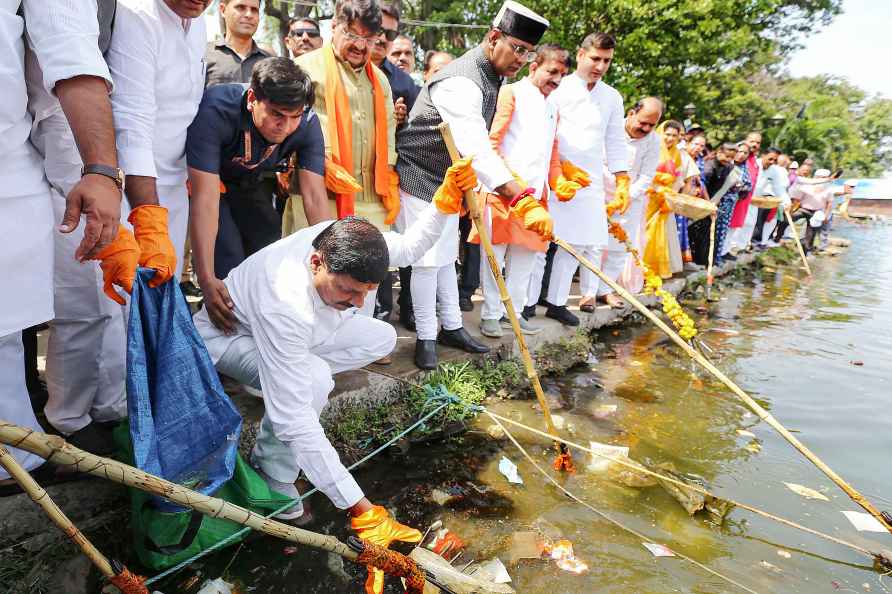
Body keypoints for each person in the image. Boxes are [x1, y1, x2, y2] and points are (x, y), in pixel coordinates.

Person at [193, 159, 476, 594]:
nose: (357, 300)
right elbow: (295, 421)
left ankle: (279, 373)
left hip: (291, 337)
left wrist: (441, 205)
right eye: (347, 290)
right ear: (315, 262)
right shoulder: (285, 301)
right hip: (228, 337)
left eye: (366, 292)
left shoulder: (354, 241)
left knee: (380, 338)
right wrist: (361, 507)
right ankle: (275, 472)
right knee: (310, 383)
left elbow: (411, 247)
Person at [2, 0, 127, 491]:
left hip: (16, 159)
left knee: (8, 328)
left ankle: (19, 458)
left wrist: (99, 170)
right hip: (37, 164)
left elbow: (69, 58)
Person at [395, 0, 555, 368]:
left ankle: (451, 326)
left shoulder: (494, 75)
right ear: (494, 37)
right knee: (425, 262)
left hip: (452, 180)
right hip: (420, 175)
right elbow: (478, 150)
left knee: (446, 257)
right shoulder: (460, 80)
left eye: (528, 54)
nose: (521, 60)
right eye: (517, 49)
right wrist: (523, 200)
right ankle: (425, 337)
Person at [187, 58, 330, 334]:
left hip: (251, 183)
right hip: (210, 182)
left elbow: (314, 196)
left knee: (269, 247)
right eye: (277, 114)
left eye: (294, 116)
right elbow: (204, 199)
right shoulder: (217, 108)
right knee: (226, 261)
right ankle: (218, 343)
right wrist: (205, 278)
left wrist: (330, 262)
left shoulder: (308, 122)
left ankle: (259, 331)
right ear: (253, 98)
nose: (286, 126)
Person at [475, 44, 578, 338]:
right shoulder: (512, 92)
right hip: (502, 190)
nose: (556, 79)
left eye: (562, 74)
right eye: (552, 71)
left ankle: (514, 314)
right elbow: (492, 143)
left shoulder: (553, 106)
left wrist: (558, 182)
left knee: (526, 258)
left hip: (536, 197)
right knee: (496, 255)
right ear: (534, 67)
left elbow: (553, 153)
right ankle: (491, 314)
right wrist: (509, 181)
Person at [106, 0, 210, 284]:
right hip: (131, 189)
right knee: (119, 307)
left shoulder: (199, 21)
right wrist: (148, 222)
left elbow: (186, 110)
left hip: (174, 186)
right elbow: (132, 122)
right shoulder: (138, 14)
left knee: (165, 288)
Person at [543, 31, 630, 325]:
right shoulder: (559, 86)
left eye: (606, 61)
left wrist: (622, 181)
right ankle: (526, 304)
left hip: (589, 181)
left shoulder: (612, 97)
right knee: (539, 244)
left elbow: (616, 141)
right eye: (595, 58)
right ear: (581, 55)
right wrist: (559, 167)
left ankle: (556, 302)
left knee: (577, 245)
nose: (600, 66)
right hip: (553, 173)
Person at [600, 97, 661, 297]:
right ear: (632, 113)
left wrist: (626, 196)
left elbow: (647, 176)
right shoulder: (609, 127)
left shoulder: (653, 141)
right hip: (598, 194)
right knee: (592, 246)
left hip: (630, 201)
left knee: (619, 249)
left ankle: (605, 290)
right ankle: (589, 292)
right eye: (642, 122)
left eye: (651, 125)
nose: (645, 128)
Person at [642, 120, 686, 279]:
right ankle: (638, 269)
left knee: (659, 237)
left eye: (674, 135)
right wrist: (656, 188)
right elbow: (644, 172)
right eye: (667, 134)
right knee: (644, 234)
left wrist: (670, 194)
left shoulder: (677, 154)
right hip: (648, 197)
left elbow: (678, 177)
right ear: (661, 133)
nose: (670, 138)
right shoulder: (651, 148)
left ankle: (653, 270)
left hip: (664, 200)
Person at [687, 142, 739, 266]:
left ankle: (705, 261)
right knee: (696, 232)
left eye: (732, 158)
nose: (729, 160)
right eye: (727, 156)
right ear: (719, 153)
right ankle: (695, 260)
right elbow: (702, 186)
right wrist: (708, 203)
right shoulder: (709, 167)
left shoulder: (727, 167)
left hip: (712, 203)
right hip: (703, 202)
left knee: (708, 232)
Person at [205, 0, 272, 88]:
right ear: (223, 10)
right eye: (241, 7)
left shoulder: (269, 61)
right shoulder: (203, 55)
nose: (249, 15)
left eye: (254, 10)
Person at [774, 168, 833, 252]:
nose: (821, 180)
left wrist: (826, 215)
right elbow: (796, 199)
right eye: (820, 177)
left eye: (824, 178)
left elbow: (829, 203)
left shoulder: (829, 189)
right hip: (803, 209)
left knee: (811, 232)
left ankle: (807, 250)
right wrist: (790, 210)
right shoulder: (807, 186)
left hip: (817, 212)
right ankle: (777, 238)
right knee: (786, 219)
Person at [726, 131, 762, 252]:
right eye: (752, 141)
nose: (755, 145)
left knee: (737, 224)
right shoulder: (736, 155)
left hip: (745, 199)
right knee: (727, 224)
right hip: (730, 197)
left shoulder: (754, 161)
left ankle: (728, 250)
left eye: (758, 142)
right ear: (746, 140)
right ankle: (723, 250)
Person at [749, 146, 789, 248]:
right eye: (770, 159)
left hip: (755, 201)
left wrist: (786, 202)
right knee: (739, 225)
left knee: (749, 225)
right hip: (744, 198)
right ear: (763, 155)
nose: (772, 162)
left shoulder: (774, 170)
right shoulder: (753, 164)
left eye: (775, 160)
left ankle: (741, 248)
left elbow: (779, 188)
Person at [719, 142, 752, 261]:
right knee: (720, 228)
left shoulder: (745, 169)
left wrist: (742, 188)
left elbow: (748, 184)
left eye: (745, 153)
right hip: (720, 201)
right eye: (739, 151)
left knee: (731, 228)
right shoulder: (726, 164)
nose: (742, 155)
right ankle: (716, 253)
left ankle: (724, 251)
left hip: (735, 202)